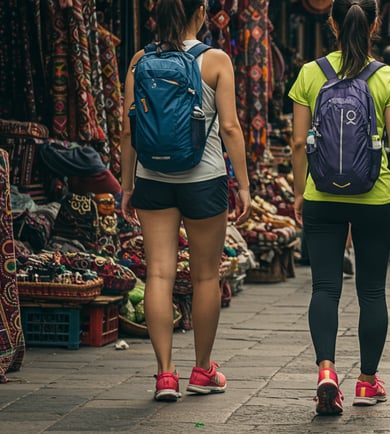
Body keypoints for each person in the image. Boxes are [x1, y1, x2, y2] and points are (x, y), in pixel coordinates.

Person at [120, 0, 252, 402]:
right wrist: (243, 184)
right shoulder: (215, 60)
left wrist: (127, 186)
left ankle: (164, 376)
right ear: (201, 12)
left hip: (152, 181)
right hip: (204, 179)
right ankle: (202, 369)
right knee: (205, 277)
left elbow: (128, 129)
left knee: (158, 274)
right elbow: (229, 126)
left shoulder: (139, 59)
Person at [288, 0, 390, 416]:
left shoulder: (310, 73)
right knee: (372, 291)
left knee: (324, 287)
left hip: (322, 195)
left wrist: (298, 191)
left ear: (331, 22)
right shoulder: (388, 76)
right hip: (373, 196)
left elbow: (298, 143)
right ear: (376, 24)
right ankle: (366, 381)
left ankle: (326, 371)